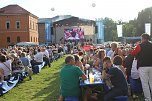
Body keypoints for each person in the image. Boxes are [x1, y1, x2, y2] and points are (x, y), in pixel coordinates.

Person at [132, 33, 152, 101]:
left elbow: (133, 53)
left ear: (142, 38)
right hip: (151, 66)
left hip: (142, 66)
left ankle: (148, 99)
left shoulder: (139, 45)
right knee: (151, 82)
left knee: (145, 83)